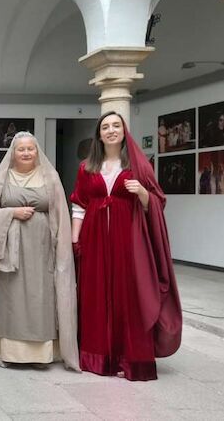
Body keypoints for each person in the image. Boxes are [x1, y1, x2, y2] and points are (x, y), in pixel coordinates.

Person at [71, 111, 182, 381]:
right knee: (96, 296)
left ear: (124, 131)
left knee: (129, 296)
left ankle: (130, 359)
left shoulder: (139, 165)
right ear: (99, 134)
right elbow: (79, 205)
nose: (111, 130)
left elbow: (157, 201)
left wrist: (143, 193)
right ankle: (98, 357)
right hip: (94, 240)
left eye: (116, 126)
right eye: (105, 127)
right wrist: (75, 240)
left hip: (129, 241)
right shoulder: (87, 167)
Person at [0, 132, 80, 371]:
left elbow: (60, 214)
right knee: (11, 300)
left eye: (30, 149)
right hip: (9, 251)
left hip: (42, 248)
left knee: (41, 297)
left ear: (37, 152)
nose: (26, 153)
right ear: (13, 153)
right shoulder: (1, 179)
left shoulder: (50, 178)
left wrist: (63, 244)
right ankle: (10, 353)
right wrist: (12, 213)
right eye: (21, 149)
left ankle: (41, 355)